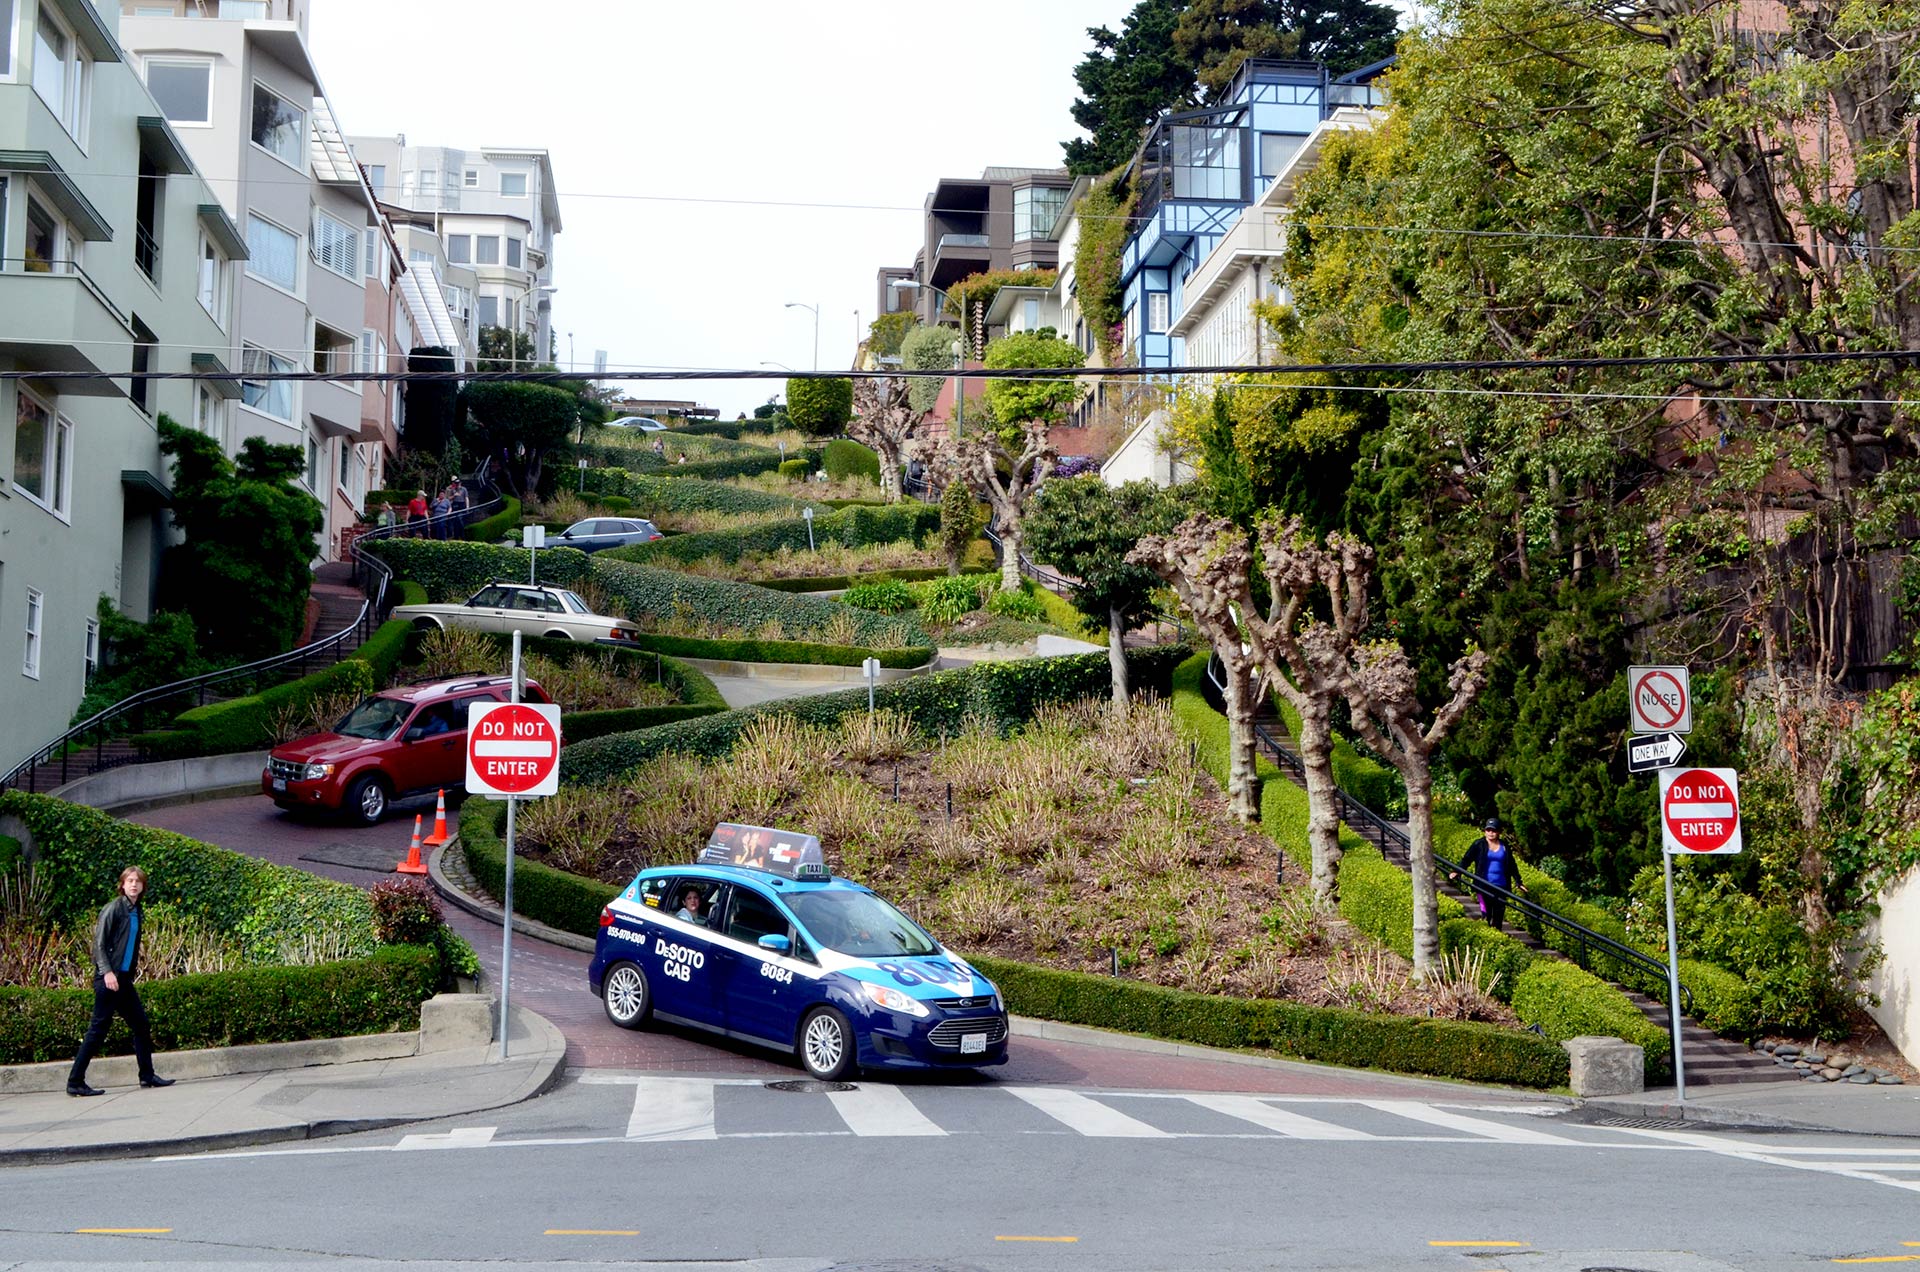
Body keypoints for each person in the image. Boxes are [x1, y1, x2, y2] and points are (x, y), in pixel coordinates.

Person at [68, 866, 173, 1097]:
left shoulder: (136, 910)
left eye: (138, 881)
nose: (134, 885)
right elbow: (99, 944)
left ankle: (147, 1076)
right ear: (122, 885)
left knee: (141, 1025)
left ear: (143, 886)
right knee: (97, 1030)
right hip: (109, 979)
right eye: (130, 881)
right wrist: (107, 973)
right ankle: (75, 1081)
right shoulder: (114, 909)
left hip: (123, 980)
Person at [1451, 817, 1526, 929]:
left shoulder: (1504, 846)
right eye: (1488, 830)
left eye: (1494, 830)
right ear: (1485, 831)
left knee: (1498, 916)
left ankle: (1498, 937)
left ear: (1499, 832)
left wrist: (1518, 882)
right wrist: (1457, 871)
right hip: (1483, 885)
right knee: (1486, 915)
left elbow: (1511, 865)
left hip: (1501, 886)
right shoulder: (1478, 844)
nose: (1491, 833)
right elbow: (1467, 859)